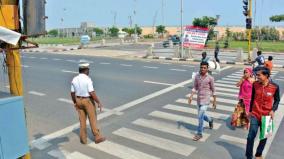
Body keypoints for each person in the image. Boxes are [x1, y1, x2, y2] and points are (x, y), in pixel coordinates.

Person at [245, 67, 280, 159]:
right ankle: (249, 156)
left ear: (266, 75)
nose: (257, 77)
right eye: (257, 75)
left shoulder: (275, 87)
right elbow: (252, 98)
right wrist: (249, 111)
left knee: (264, 137)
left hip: (267, 116)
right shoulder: (255, 84)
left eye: (259, 75)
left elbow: (277, 100)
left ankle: (258, 154)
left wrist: (273, 110)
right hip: (255, 114)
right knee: (250, 136)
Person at [70, 60, 106, 144]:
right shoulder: (87, 79)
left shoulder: (74, 79)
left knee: (82, 120)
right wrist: (98, 102)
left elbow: (72, 93)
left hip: (78, 100)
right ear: (86, 70)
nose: (89, 71)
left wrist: (75, 102)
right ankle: (97, 137)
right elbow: (91, 92)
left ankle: (83, 139)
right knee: (92, 118)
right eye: (88, 69)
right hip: (87, 101)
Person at [188, 61, 216, 141]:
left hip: (206, 100)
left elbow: (213, 90)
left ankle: (199, 133)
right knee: (201, 116)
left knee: (200, 117)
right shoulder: (197, 76)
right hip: (198, 99)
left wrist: (214, 101)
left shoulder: (210, 78)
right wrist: (191, 96)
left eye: (204, 68)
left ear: (207, 69)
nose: (203, 69)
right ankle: (210, 120)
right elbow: (195, 87)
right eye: (201, 67)